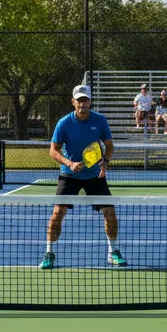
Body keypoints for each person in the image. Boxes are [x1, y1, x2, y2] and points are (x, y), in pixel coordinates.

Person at [41, 84, 127, 270]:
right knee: (57, 213)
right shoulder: (64, 123)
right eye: (79, 100)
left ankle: (113, 252)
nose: (83, 104)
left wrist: (105, 161)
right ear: (73, 102)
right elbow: (53, 151)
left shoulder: (100, 120)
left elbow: (109, 145)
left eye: (86, 100)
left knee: (110, 212)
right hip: (69, 175)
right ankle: (49, 254)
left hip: (94, 175)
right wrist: (69, 163)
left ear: (90, 101)